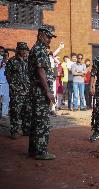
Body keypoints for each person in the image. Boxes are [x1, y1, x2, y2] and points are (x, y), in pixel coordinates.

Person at [28, 25, 56, 160]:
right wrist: (48, 91)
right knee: (42, 122)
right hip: (40, 91)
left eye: (51, 37)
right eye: (48, 37)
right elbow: (41, 71)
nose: (49, 39)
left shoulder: (38, 49)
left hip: (37, 90)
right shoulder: (39, 50)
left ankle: (33, 150)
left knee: (35, 121)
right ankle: (41, 152)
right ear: (40, 36)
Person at [5, 42, 31, 139]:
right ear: (18, 50)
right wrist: (13, 87)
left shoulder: (28, 61)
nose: (24, 51)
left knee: (27, 111)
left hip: (28, 90)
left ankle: (26, 129)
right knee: (15, 111)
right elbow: (8, 75)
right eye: (22, 49)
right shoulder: (12, 61)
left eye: (25, 49)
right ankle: (14, 131)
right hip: (16, 91)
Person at [0, 46, 10, 117]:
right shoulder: (2, 60)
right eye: (1, 52)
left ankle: (4, 114)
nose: (2, 53)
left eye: (3, 52)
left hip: (6, 82)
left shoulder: (8, 62)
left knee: (6, 100)